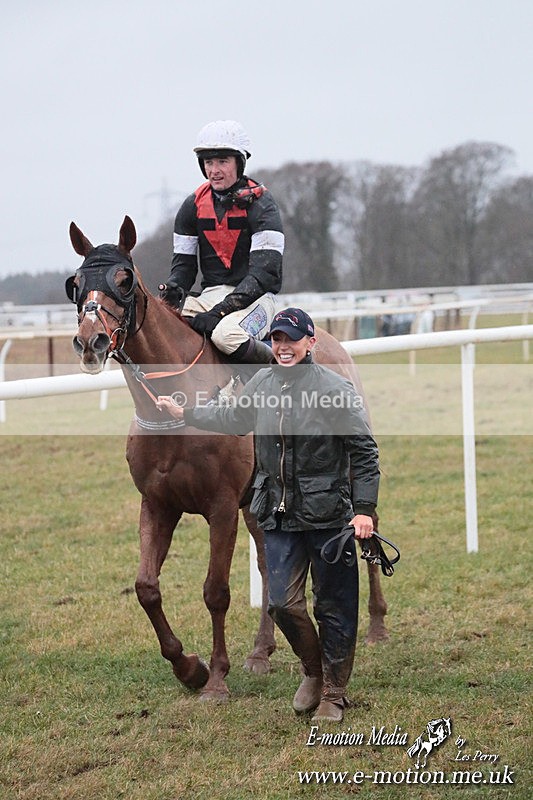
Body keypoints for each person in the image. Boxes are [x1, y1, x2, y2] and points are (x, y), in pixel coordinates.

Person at [156, 308, 380, 723]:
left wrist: (364, 509)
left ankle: (333, 692)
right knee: (281, 604)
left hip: (328, 514)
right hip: (277, 513)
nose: (282, 347)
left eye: (291, 340)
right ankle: (313, 670)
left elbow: (364, 453)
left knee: (333, 606)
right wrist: (184, 414)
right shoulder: (261, 382)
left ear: (310, 343)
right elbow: (232, 418)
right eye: (276, 340)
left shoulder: (335, 389)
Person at [160, 120, 284, 366]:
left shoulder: (263, 206)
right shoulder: (191, 206)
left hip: (257, 299)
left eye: (222, 162)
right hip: (210, 296)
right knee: (162, 325)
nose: (214, 170)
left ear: (240, 162)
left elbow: (264, 275)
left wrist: (219, 312)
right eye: (208, 162)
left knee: (226, 335)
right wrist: (173, 290)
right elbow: (184, 268)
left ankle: (282, 373)